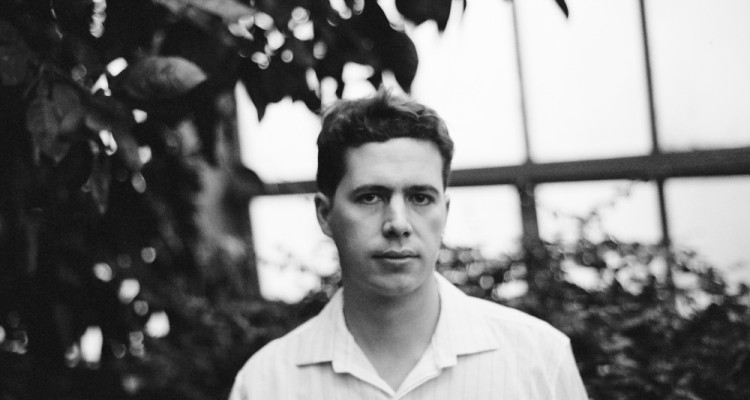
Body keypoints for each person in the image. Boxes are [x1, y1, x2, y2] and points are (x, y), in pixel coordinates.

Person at [229, 91, 589, 399]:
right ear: (325, 214)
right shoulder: (265, 383)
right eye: (370, 197)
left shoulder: (539, 359)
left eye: (420, 197)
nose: (398, 223)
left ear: (445, 212)